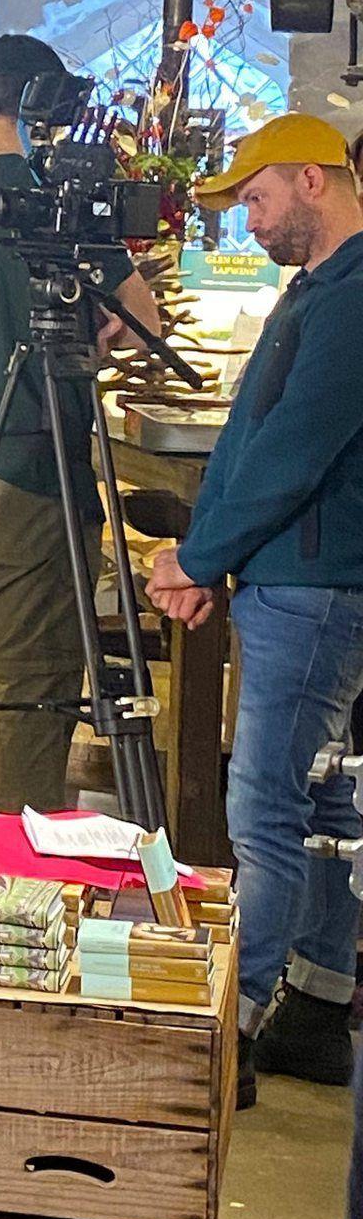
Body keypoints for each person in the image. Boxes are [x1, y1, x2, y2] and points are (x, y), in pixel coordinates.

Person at [144, 113, 363, 1112]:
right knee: (317, 807)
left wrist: (199, 554)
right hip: (292, 579)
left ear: (312, 181)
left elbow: (292, 452)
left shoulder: (353, 300)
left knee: (263, 814)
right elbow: (252, 440)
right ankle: (317, 1008)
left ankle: (231, 1030)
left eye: (260, 199)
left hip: (313, 590)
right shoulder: (318, 292)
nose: (251, 220)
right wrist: (209, 558)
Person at [0, 35, 161, 881]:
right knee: (32, 693)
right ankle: (12, 896)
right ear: (48, 104)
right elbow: (144, 322)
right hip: (37, 473)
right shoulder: (63, 202)